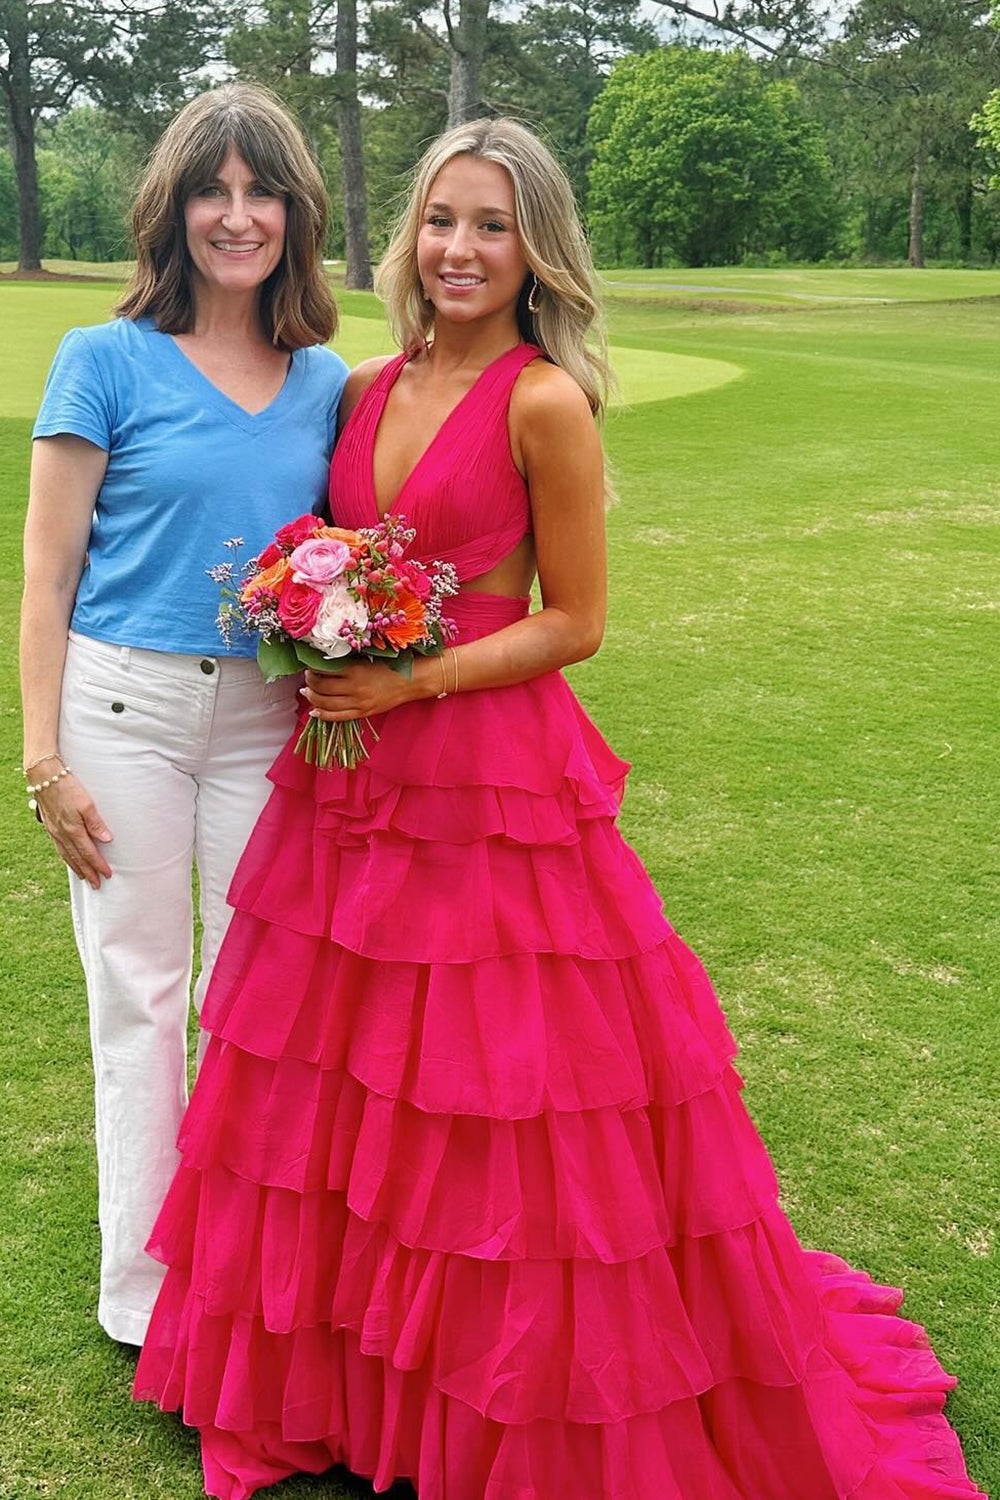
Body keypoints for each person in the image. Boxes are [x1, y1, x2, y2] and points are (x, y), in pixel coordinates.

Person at [133, 119, 984, 1500]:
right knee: (353, 1078)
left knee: (496, 1087)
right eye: (441, 221)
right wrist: (319, 619)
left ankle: (500, 1389)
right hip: (354, 785)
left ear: (537, 251)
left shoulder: (545, 403)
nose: (459, 250)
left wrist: (416, 684)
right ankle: (361, 1381)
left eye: (492, 225)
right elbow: (329, 547)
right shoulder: (358, 386)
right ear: (407, 236)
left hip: (492, 782)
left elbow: (578, 622)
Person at [19, 82, 348, 1349]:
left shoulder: (324, 380)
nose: (237, 214)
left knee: (270, 1003)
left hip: (275, 723)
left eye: (261, 190)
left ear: (294, 213)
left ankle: (264, 1285)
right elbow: (46, 573)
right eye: (212, 189)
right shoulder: (102, 358)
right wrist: (42, 757)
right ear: (171, 208)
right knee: (142, 999)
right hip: (123, 710)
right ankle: (148, 1302)